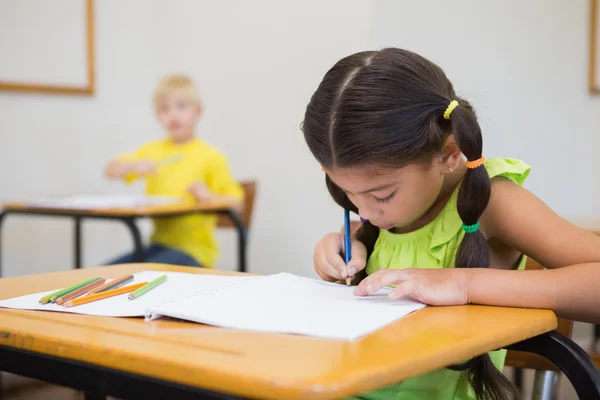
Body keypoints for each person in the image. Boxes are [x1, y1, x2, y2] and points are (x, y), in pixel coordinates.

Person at [303, 48, 600, 400]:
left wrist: (465, 285)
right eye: (346, 191)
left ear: (448, 154)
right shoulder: (388, 205)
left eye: (381, 196)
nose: (366, 211)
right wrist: (348, 246)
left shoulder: (494, 201)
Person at [105, 75, 243, 268]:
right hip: (156, 246)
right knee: (103, 272)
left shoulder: (211, 156)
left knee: (142, 272)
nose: (173, 115)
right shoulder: (152, 151)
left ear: (198, 111)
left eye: (181, 106)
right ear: (156, 115)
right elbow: (110, 170)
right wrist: (132, 166)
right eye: (164, 109)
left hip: (194, 252)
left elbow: (237, 204)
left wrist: (209, 196)